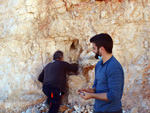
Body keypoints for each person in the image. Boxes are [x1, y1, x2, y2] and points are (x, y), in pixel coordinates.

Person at [78, 33, 124, 113]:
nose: (93, 51)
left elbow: (113, 96)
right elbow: (98, 87)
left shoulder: (114, 67)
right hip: (98, 109)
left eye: (94, 48)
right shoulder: (99, 65)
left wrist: (91, 96)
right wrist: (90, 91)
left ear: (102, 49)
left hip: (111, 111)